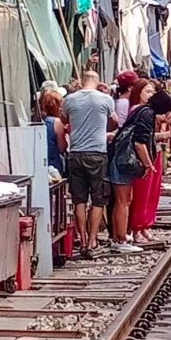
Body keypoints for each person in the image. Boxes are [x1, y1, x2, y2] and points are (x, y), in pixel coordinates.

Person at [109, 83, 171, 253]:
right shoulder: (147, 114)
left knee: (122, 200)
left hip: (120, 158)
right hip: (124, 160)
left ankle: (118, 237)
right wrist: (148, 164)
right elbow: (139, 143)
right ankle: (121, 241)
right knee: (123, 201)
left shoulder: (141, 110)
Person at [62, 70, 117, 259]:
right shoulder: (105, 99)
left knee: (79, 199)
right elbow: (114, 122)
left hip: (76, 153)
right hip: (98, 153)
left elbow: (65, 119)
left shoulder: (69, 99)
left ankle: (82, 240)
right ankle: (93, 240)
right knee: (99, 199)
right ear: (98, 82)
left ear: (81, 82)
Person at [129, 94, 171, 244]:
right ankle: (137, 228)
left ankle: (145, 226)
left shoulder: (148, 113)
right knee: (142, 194)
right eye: (146, 90)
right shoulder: (144, 112)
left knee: (151, 193)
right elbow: (141, 140)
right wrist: (148, 164)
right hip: (144, 157)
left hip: (153, 153)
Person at [39, 89, 67, 174]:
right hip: (53, 166)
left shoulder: (39, 121)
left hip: (41, 164)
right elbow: (62, 148)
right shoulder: (57, 122)